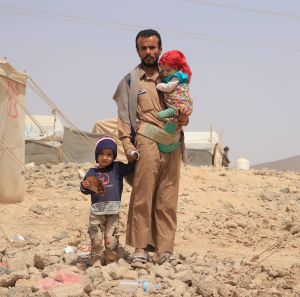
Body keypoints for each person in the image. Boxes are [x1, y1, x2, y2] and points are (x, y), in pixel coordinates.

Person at [113, 29, 190, 268]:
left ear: (160, 48)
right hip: (146, 140)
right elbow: (124, 117)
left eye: (152, 47)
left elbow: (182, 106)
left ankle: (164, 250)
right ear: (137, 50)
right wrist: (127, 145)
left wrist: (184, 117)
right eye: (143, 48)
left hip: (172, 140)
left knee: (167, 198)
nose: (149, 52)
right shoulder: (130, 80)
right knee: (143, 196)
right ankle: (139, 249)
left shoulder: (174, 77)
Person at [80, 136, 137, 266]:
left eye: (109, 154)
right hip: (96, 213)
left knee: (111, 240)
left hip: (113, 213)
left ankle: (111, 260)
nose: (105, 157)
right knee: (97, 239)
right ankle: (95, 261)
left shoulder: (117, 168)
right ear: (96, 155)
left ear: (114, 156)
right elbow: (85, 189)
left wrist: (133, 155)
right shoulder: (92, 172)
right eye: (101, 154)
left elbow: (131, 167)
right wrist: (85, 185)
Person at [156, 49, 193, 153]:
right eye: (163, 70)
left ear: (176, 69)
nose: (164, 73)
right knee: (170, 129)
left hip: (176, 107)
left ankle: (168, 146)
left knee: (160, 116)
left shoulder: (177, 77)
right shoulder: (176, 76)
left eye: (168, 71)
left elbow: (168, 88)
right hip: (178, 110)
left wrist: (158, 85)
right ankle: (167, 146)